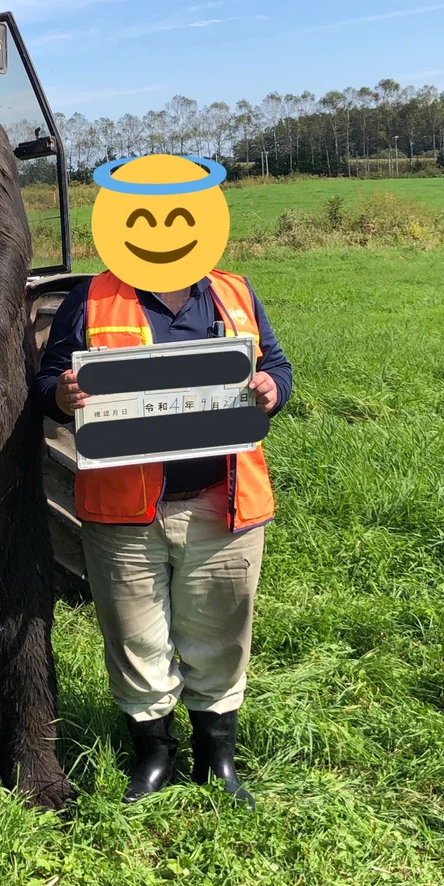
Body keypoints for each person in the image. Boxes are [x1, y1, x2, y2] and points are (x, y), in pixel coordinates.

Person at [34, 267, 292, 807]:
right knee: (136, 639)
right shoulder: (91, 298)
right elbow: (46, 384)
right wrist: (61, 393)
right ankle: (154, 756)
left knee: (220, 634)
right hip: (124, 510)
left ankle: (215, 759)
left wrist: (273, 387)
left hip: (222, 506)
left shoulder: (234, 291)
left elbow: (277, 368)